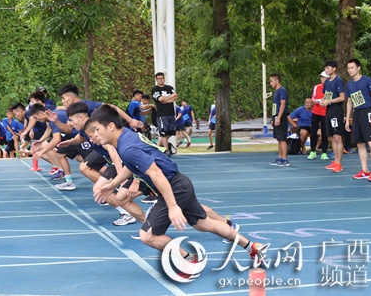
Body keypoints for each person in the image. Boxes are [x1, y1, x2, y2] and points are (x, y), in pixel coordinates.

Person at [91, 105, 269, 267]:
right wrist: (112, 184)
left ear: (111, 126)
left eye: (97, 129)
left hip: (174, 186)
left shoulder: (126, 148)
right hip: (180, 183)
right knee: (203, 224)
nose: (95, 135)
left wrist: (173, 206)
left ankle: (189, 260)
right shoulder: (126, 138)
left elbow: (156, 173)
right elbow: (132, 166)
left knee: (148, 236)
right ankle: (253, 246)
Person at [344, 59, 371, 182]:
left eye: (352, 68)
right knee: (359, 143)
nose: (350, 70)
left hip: (368, 111)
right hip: (357, 113)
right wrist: (348, 120)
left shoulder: (367, 80)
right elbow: (349, 102)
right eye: (348, 68)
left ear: (358, 68)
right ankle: (365, 170)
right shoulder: (349, 85)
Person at [320, 60, 346, 173]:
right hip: (329, 110)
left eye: (328, 68)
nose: (326, 70)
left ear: (334, 68)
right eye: (325, 68)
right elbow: (326, 96)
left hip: (336, 111)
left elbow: (342, 97)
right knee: (330, 137)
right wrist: (323, 101)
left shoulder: (338, 80)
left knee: (337, 137)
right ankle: (335, 161)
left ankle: (339, 163)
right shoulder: (326, 82)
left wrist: (329, 101)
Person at [151, 72, 178, 156]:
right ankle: (166, 150)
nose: (161, 80)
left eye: (162, 78)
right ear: (156, 80)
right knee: (164, 132)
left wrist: (166, 100)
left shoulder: (169, 88)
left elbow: (175, 97)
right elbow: (160, 99)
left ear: (164, 78)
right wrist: (170, 97)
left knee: (171, 132)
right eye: (159, 78)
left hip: (171, 113)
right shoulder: (155, 89)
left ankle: (158, 146)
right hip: (162, 114)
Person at [269, 74, 290, 166]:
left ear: (277, 81)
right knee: (278, 138)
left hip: (281, 117)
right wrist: (273, 118)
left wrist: (279, 117)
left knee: (282, 138)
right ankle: (280, 157)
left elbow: (283, 104)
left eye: (271, 81)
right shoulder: (277, 91)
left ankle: (285, 159)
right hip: (276, 116)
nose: (270, 83)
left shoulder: (282, 91)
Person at [308, 71, 329, 160]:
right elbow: (313, 98)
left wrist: (324, 101)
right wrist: (318, 101)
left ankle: (324, 152)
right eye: (321, 77)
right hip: (316, 112)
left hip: (325, 112)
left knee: (325, 133)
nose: (322, 79)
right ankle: (313, 150)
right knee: (313, 132)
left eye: (324, 77)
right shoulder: (317, 87)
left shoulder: (330, 87)